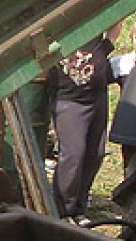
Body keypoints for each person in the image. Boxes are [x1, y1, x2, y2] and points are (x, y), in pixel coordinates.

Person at [47, 25, 119, 219]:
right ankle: (62, 212)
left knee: (95, 153)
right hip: (69, 99)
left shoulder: (92, 15)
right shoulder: (59, 22)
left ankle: (79, 206)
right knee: (73, 156)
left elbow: (116, 17)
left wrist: (106, 46)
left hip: (97, 96)